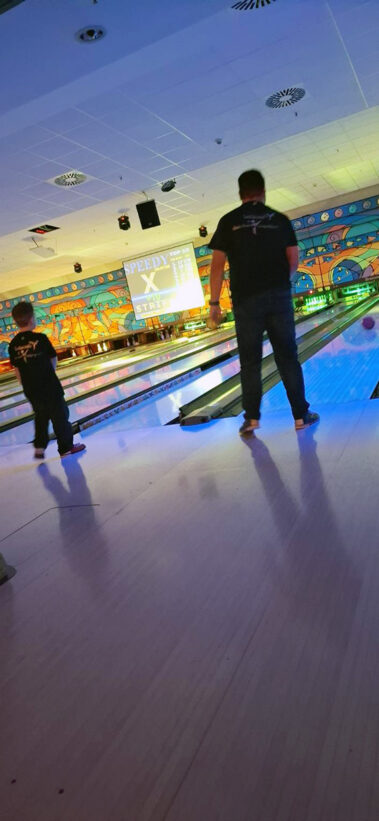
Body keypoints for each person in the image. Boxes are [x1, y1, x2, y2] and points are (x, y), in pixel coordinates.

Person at [208, 169, 319, 435]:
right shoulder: (280, 220)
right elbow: (293, 259)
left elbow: (217, 266)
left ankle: (251, 419)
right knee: (287, 358)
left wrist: (214, 303)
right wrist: (280, 284)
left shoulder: (228, 221)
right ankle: (301, 416)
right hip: (278, 298)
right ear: (263, 191)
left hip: (245, 302)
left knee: (250, 362)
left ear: (240, 194)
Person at [8, 301, 86, 459]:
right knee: (60, 416)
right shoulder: (41, 338)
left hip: (31, 389)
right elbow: (53, 358)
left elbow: (16, 368)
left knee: (41, 416)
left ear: (16, 321)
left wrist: (25, 384)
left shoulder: (13, 344)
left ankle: (39, 447)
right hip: (50, 386)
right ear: (32, 319)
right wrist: (49, 374)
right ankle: (66, 448)